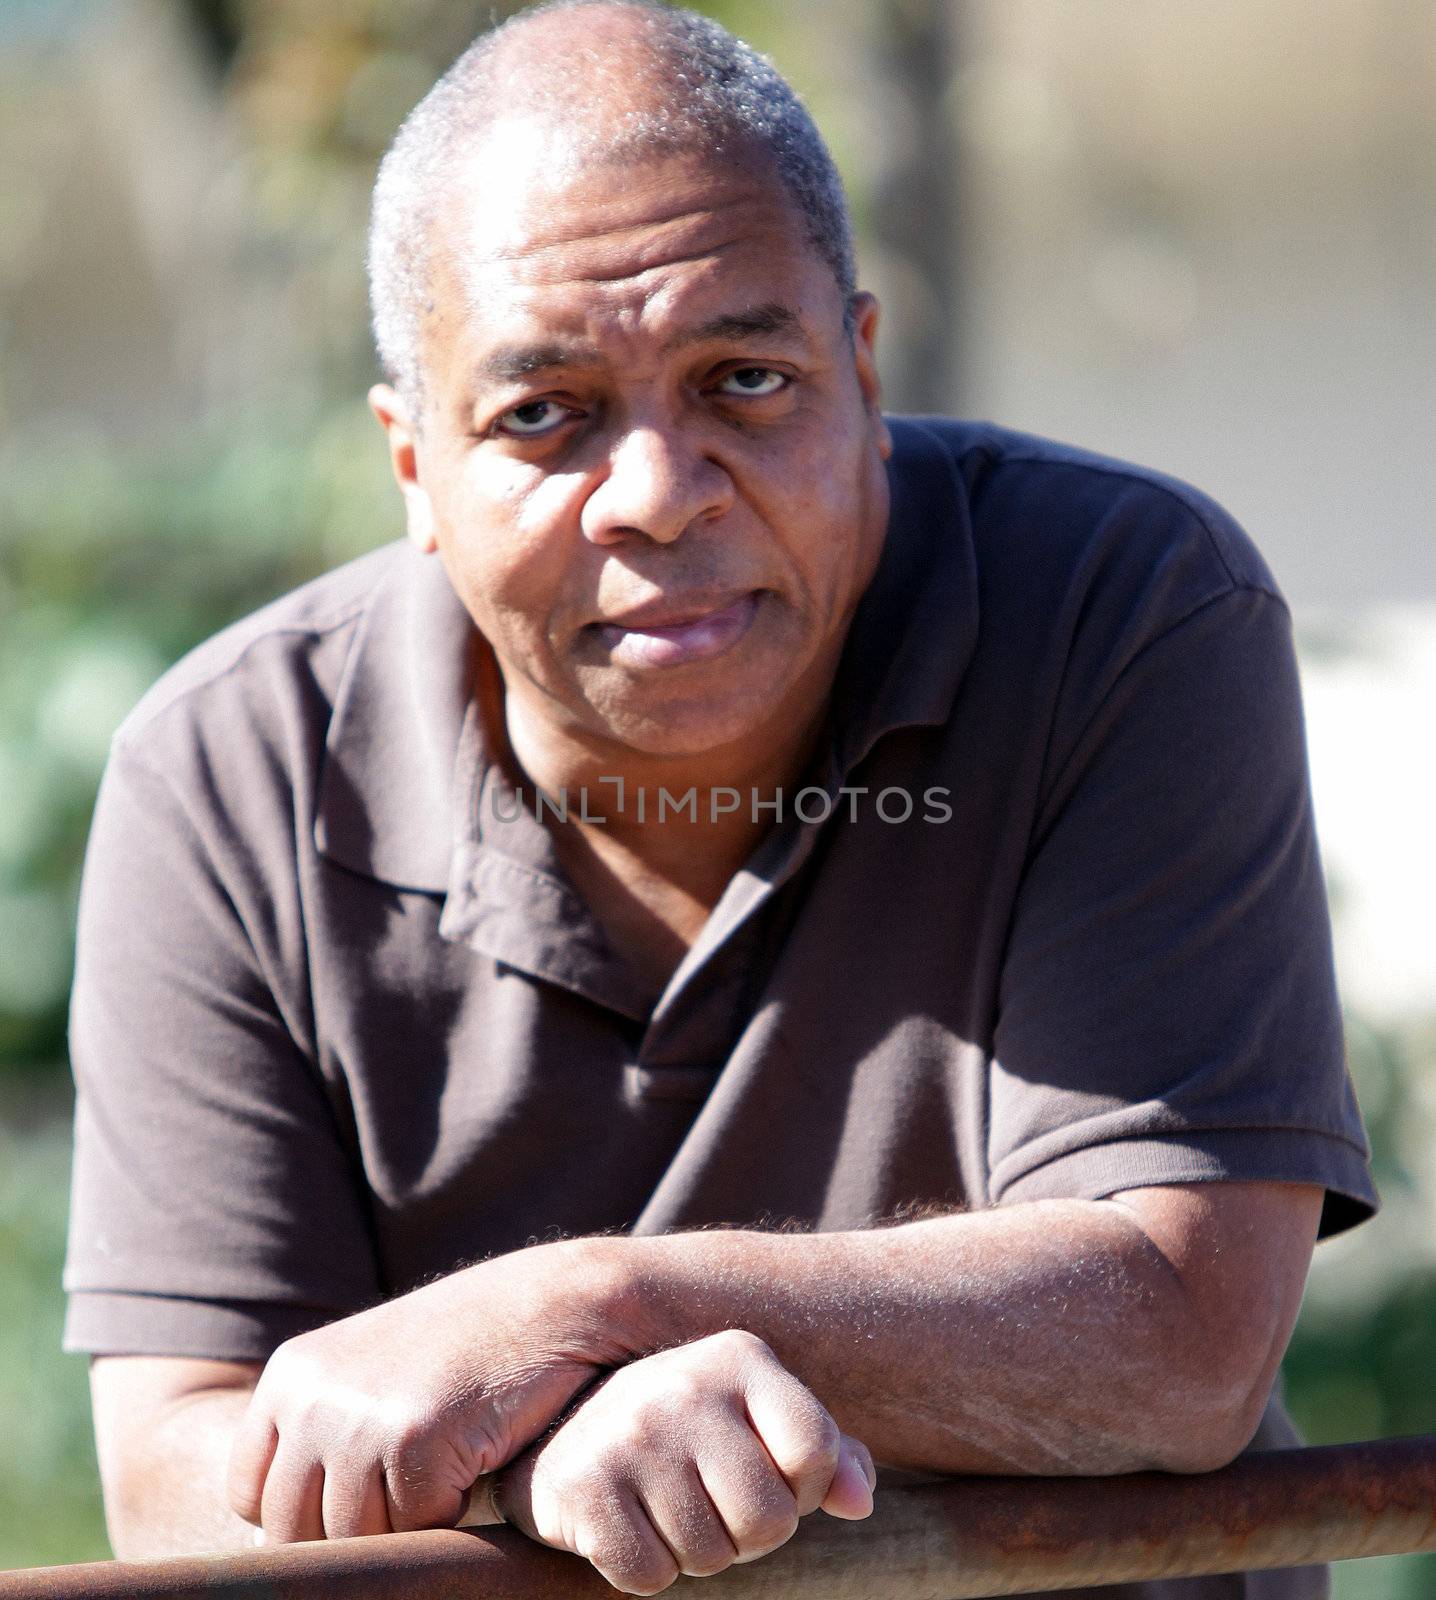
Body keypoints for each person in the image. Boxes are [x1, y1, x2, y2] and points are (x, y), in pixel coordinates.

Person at [64, 2, 1378, 1595]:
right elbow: (174, 1474)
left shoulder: (1120, 609)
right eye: (542, 414)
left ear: (863, 378)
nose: (658, 493)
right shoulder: (228, 771)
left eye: (745, 379)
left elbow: (1179, 1334)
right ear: (413, 468)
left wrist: (584, 1311)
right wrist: (547, 1465)